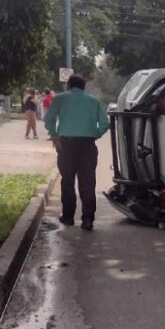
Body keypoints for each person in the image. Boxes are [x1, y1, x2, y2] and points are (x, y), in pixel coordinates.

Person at [44, 74, 109, 231]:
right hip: (88, 144)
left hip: (66, 144)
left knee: (67, 180)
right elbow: (105, 123)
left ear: (69, 86)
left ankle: (68, 217)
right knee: (87, 182)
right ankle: (87, 220)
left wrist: (54, 135)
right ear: (84, 87)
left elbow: (49, 119)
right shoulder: (94, 101)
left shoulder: (60, 98)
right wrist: (95, 133)